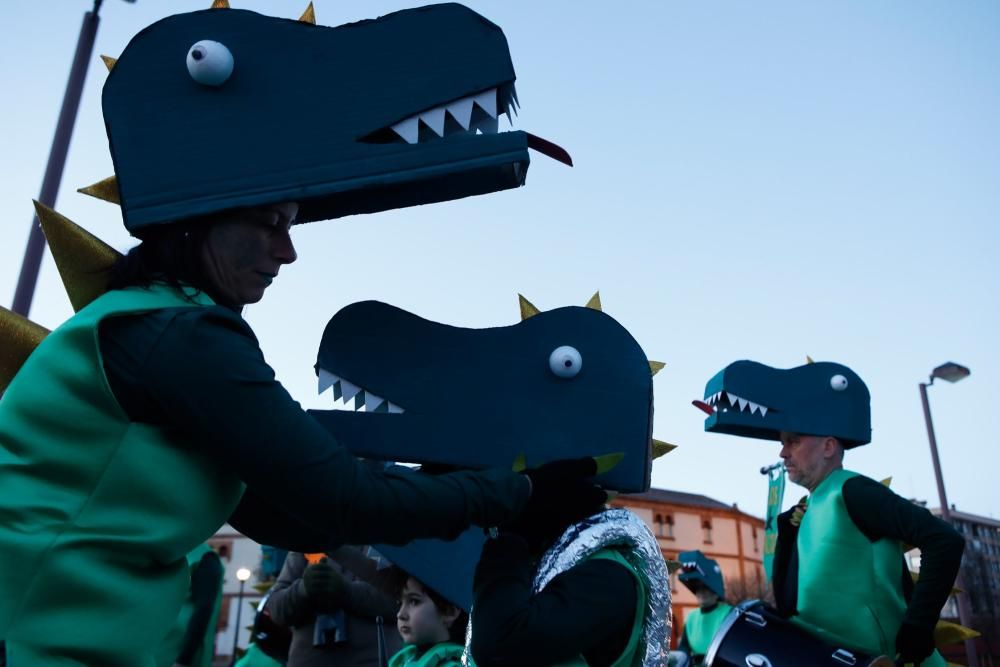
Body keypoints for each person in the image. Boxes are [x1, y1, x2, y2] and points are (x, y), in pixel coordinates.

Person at [0, 5, 598, 665]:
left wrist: (434, 478)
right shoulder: (178, 334)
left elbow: (294, 515)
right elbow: (339, 497)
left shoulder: (151, 323)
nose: (287, 251)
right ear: (201, 218)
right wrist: (520, 492)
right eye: (271, 220)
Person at [701, 360, 965, 667]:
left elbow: (945, 540)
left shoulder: (853, 491)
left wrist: (917, 628)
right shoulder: (807, 509)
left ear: (828, 446)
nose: (782, 453)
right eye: (782, 442)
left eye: (793, 441)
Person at [267, 548, 400, 666]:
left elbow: (400, 602)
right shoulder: (309, 540)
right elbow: (276, 610)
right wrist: (303, 589)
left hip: (372, 660)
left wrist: (346, 590)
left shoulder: (385, 541)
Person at [154, 544, 226, 667]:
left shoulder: (201, 556)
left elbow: (203, 609)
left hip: (174, 649)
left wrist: (184, 659)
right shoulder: (194, 554)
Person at [388, 574, 466, 667]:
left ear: (449, 612)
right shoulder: (402, 660)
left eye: (414, 601)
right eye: (400, 603)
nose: (400, 614)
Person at [674, 551, 732, 666]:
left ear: (715, 592)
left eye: (705, 587)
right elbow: (683, 649)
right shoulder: (691, 618)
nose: (701, 592)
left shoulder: (728, 613)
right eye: (698, 588)